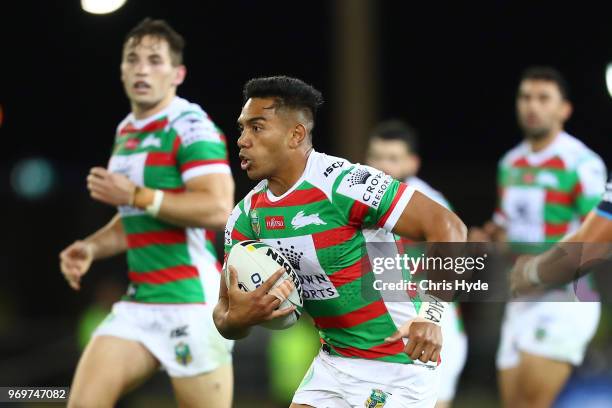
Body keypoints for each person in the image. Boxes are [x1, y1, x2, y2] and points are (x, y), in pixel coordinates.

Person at [214, 76, 467, 408]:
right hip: (332, 363)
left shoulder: (346, 183)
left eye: (257, 128)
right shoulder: (246, 216)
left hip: (396, 363)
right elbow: (223, 314)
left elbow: (450, 228)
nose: (243, 140)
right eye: (242, 129)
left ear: (296, 135)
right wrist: (238, 319)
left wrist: (431, 315)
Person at [59, 18, 235, 407]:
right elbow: (134, 220)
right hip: (139, 304)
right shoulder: (127, 131)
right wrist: (90, 247)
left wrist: (137, 194)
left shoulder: (192, 127)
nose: (142, 68)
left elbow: (218, 208)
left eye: (155, 60)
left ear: (178, 73)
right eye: (132, 59)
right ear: (121, 70)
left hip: (190, 303)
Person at [469, 66, 607, 408]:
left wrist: (543, 271)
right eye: (526, 97)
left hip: (565, 296)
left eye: (544, 98)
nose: (533, 106)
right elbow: (506, 229)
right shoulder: (510, 163)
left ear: (564, 110)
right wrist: (486, 238)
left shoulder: (582, 163)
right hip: (520, 297)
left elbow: (597, 237)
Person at [366, 120, 468, 408]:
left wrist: (431, 313)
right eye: (376, 156)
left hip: (431, 319)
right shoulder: (360, 203)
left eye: (393, 158)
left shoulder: (430, 205)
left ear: (412, 162)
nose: (383, 166)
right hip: (383, 323)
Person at [510, 176, 612, 293]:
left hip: (564, 288)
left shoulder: (584, 165)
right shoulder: (509, 162)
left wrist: (529, 272)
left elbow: (586, 250)